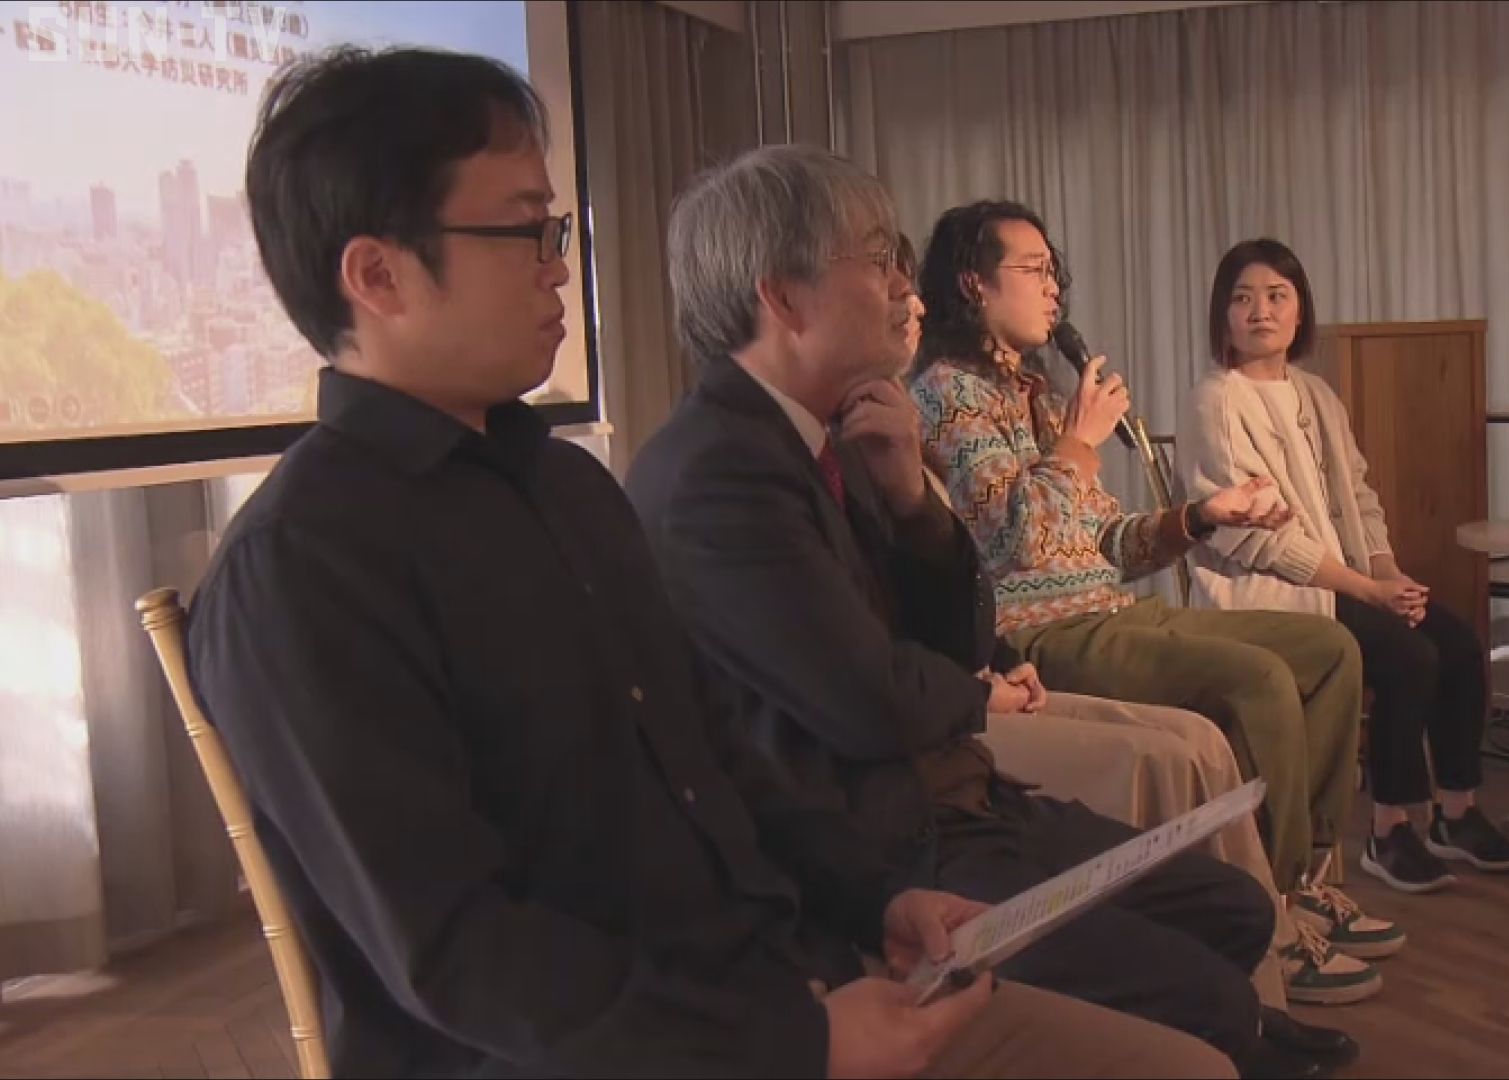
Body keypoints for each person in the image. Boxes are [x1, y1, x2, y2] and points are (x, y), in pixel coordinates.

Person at [187, 46, 1239, 1079]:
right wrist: (796, 1041)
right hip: (639, 1046)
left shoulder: (563, 488)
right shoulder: (304, 567)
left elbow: (713, 763)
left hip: (774, 976)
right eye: (526, 230)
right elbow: (461, 957)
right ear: (377, 275)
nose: (561, 263)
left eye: (558, 228)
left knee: (1188, 1046)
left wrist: (872, 901)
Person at [625, 145, 1355, 1078]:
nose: (904, 289)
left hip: (958, 796)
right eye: (877, 259)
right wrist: (979, 690)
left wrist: (914, 507)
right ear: (785, 298)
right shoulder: (721, 472)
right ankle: (1233, 1032)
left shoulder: (845, 429)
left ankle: (1252, 1000)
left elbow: (965, 633)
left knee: (1235, 906)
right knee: (1204, 983)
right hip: (886, 848)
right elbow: (881, 692)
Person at [907, 200, 1393, 999]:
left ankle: (1306, 877)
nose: (1053, 288)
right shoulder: (946, 396)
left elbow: (1108, 543)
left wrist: (1200, 516)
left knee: (1332, 650)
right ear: (974, 283)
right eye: (1033, 270)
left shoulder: (1035, 394)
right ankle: (1273, 919)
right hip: (1041, 629)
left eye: (1054, 271)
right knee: (1258, 679)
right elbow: (1014, 539)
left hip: (1111, 611)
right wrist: (1079, 443)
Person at [1178, 239, 1509, 895]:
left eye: (1277, 296)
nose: (1260, 311)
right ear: (1223, 314)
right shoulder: (1216, 399)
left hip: (1344, 581)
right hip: (1270, 595)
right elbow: (1257, 543)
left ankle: (1457, 813)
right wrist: (1367, 590)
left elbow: (1359, 499)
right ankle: (1389, 829)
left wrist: (1388, 574)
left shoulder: (1316, 393)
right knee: (1408, 656)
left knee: (1458, 644)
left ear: (1300, 310)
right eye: (1243, 298)